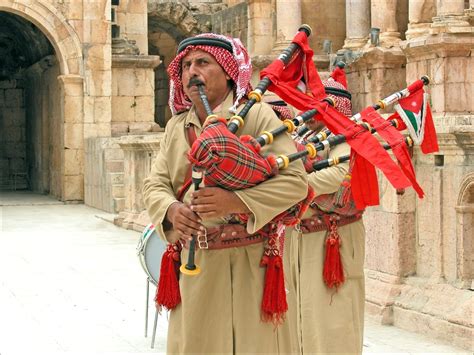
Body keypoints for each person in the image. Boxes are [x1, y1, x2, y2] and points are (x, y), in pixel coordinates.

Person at [142, 33, 308, 354]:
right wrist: (170, 209)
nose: (192, 71)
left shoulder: (257, 116)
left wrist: (236, 201)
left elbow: (295, 183)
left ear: (229, 71)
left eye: (203, 63)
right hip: (197, 263)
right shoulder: (178, 127)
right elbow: (155, 183)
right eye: (186, 65)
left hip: (253, 261)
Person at [286, 68, 366, 354]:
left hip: (332, 238)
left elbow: (340, 174)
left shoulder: (344, 136)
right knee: (301, 314)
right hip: (301, 237)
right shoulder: (308, 136)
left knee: (333, 318)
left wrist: (292, 187)